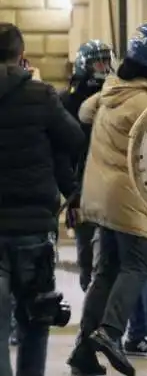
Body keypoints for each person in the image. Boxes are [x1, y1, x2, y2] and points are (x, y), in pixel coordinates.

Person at [68, 21, 147, 376]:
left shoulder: (113, 89)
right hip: (130, 199)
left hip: (99, 197)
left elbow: (84, 112)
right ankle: (111, 332)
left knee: (105, 273)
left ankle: (82, 353)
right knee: (136, 266)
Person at [0, 23, 85, 376]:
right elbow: (76, 140)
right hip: (34, 228)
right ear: (21, 55)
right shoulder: (41, 95)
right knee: (36, 318)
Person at [60, 40, 115, 292]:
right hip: (81, 184)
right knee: (85, 248)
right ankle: (89, 285)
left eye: (106, 60)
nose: (104, 67)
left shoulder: (114, 95)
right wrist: (70, 188)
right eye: (98, 61)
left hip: (109, 182)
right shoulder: (66, 100)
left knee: (108, 252)